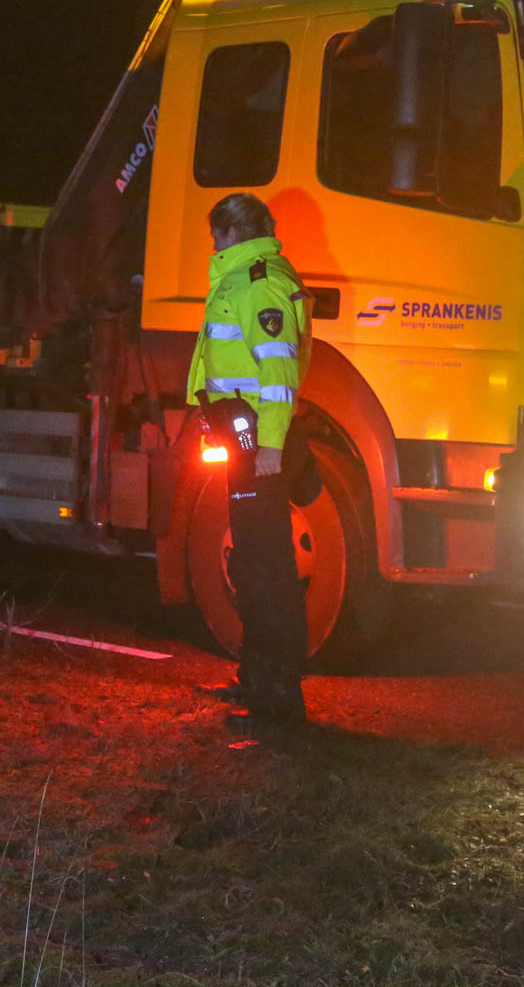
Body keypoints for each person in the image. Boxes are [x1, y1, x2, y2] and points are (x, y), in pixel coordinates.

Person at [186, 192, 312, 734]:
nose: (213, 244)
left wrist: (271, 448)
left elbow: (279, 372)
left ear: (234, 233)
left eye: (217, 234)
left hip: (257, 442)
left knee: (267, 570)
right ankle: (257, 679)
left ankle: (278, 699)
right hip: (244, 438)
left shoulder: (258, 282)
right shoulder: (242, 278)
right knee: (253, 564)